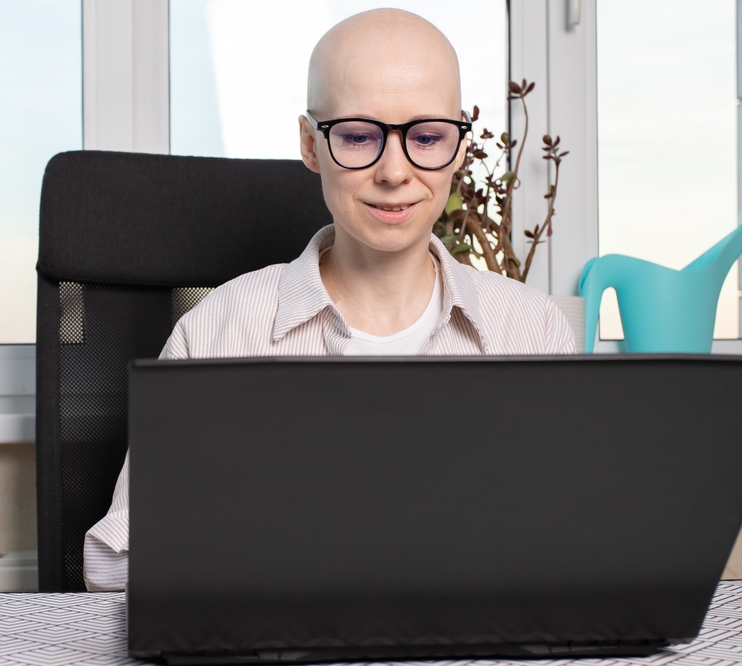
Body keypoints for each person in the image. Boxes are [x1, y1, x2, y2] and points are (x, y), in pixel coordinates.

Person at [83, 8, 575, 592]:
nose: (396, 171)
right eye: (360, 136)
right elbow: (115, 567)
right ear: (310, 145)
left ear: (460, 147)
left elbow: (578, 551)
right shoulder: (215, 336)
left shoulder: (535, 332)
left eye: (427, 138)